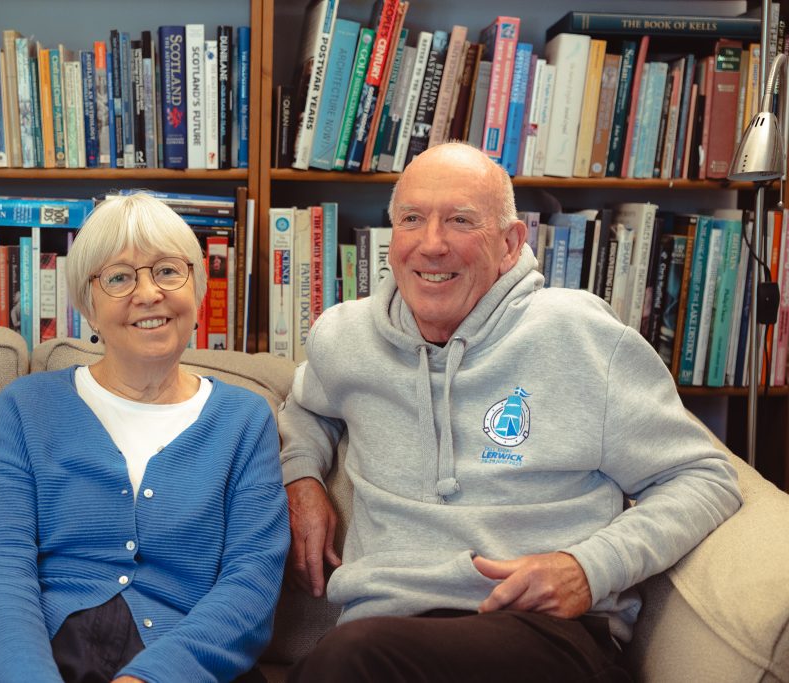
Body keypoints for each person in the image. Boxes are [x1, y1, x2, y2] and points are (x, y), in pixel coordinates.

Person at [278, 142, 743, 682]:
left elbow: (704, 477)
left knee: (346, 660)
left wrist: (588, 568)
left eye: (459, 221)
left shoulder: (581, 336)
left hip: (541, 630)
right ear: (391, 238)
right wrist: (301, 478)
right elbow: (306, 410)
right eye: (412, 220)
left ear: (509, 242)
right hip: (385, 625)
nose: (431, 245)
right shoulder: (347, 337)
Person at [0, 193, 289, 683]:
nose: (148, 293)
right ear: (89, 308)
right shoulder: (25, 408)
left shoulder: (246, 420)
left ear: (198, 289)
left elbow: (251, 585)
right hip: (32, 650)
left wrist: (150, 679)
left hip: (178, 660)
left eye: (167, 271)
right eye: (119, 277)